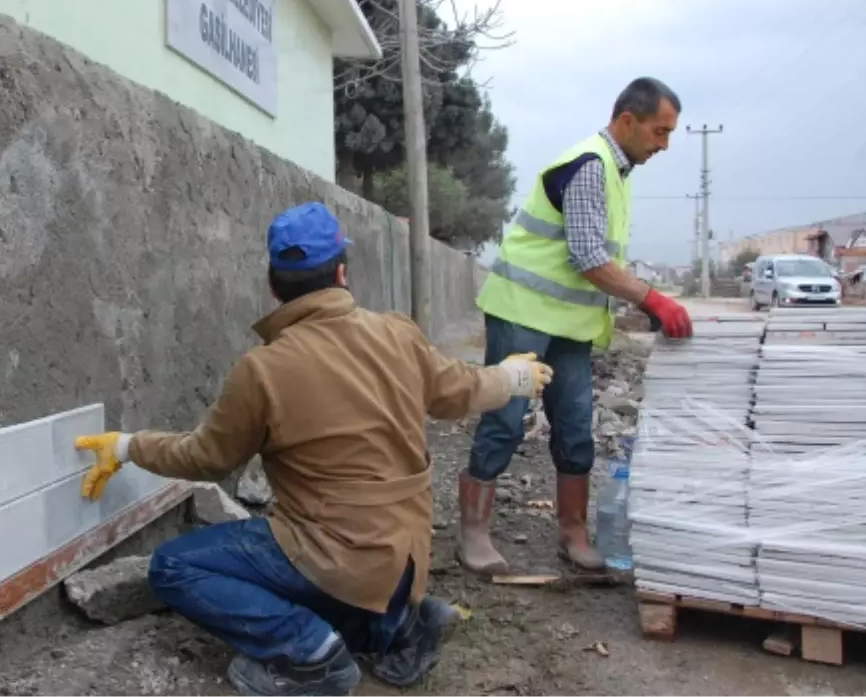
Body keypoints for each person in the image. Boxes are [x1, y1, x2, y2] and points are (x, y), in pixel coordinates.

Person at [75, 201, 554, 697]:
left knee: (173, 566)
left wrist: (128, 446)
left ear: (273, 286)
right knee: (327, 556)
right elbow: (461, 390)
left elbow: (206, 458)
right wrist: (512, 376)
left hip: (337, 555)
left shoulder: (263, 369)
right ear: (342, 273)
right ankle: (395, 626)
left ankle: (311, 654)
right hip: (404, 556)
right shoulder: (397, 333)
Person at [458, 77, 695, 576]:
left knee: (574, 426)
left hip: (569, 324)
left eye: (669, 134)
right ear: (627, 121)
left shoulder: (617, 172)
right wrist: (652, 299)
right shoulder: (590, 165)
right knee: (504, 417)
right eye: (659, 131)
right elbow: (589, 258)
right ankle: (474, 533)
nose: (663, 145)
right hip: (523, 312)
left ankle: (572, 532)